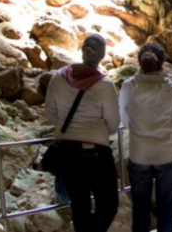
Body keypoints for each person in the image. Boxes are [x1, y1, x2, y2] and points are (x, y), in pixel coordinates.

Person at [45, 34, 120, 232]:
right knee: (109, 206)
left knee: (80, 208)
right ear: (103, 55)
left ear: (82, 49)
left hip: (68, 153)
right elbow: (113, 125)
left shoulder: (58, 77)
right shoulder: (105, 85)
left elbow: (51, 115)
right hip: (97, 154)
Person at [119, 43, 172, 232]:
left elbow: (123, 119)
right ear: (162, 63)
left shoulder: (128, 86)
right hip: (167, 154)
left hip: (139, 154)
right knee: (166, 211)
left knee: (140, 211)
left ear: (139, 62)